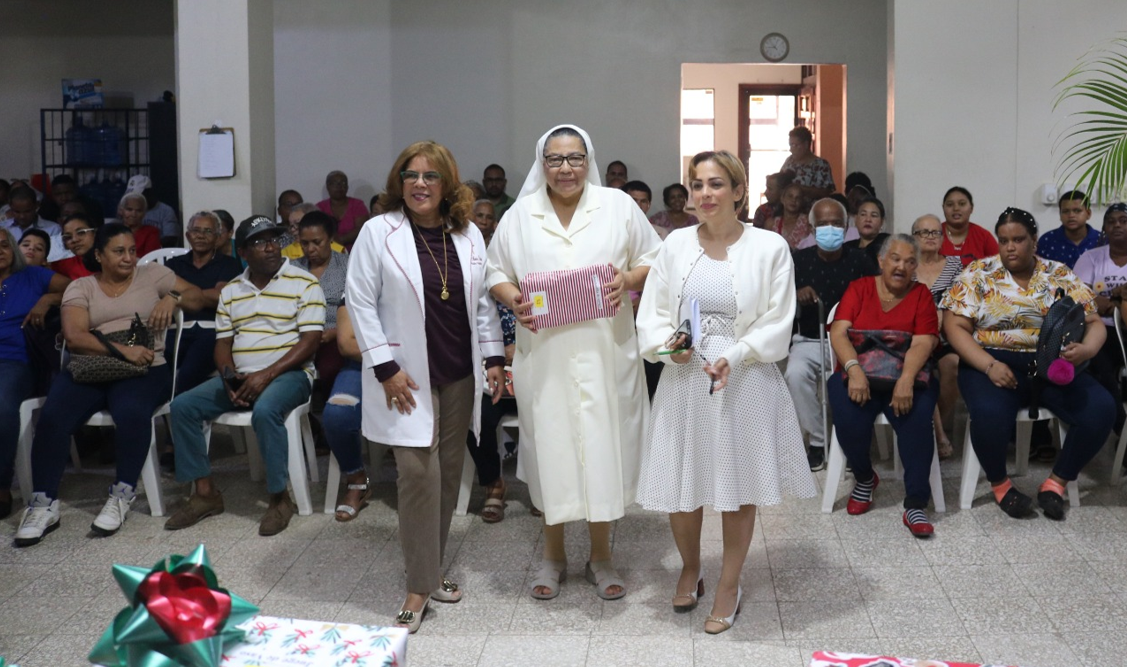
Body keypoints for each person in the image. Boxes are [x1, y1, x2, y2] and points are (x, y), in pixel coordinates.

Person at [637, 150, 815, 634]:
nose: (705, 194)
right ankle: (690, 566)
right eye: (697, 185)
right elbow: (653, 313)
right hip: (684, 376)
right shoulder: (675, 244)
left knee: (737, 488)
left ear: (739, 191)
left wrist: (734, 356)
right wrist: (668, 349)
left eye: (716, 184)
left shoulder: (769, 247)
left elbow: (779, 319)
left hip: (746, 375)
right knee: (681, 482)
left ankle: (729, 585)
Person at [486, 124, 660, 602]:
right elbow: (495, 271)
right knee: (553, 452)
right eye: (555, 159)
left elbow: (656, 257)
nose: (566, 168)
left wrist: (627, 279)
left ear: (589, 159)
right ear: (542, 163)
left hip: (606, 352)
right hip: (544, 356)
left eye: (575, 158)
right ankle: (553, 556)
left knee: (602, 451)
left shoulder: (618, 207)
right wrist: (514, 298)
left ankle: (601, 556)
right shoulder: (520, 215)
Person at [347, 141, 504, 632]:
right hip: (405, 376)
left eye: (431, 176)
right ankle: (418, 587)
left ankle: (431, 572)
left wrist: (493, 357)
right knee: (418, 477)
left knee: (448, 475)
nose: (420, 184)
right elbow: (360, 301)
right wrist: (385, 367)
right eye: (411, 175)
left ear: (446, 184)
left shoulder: (469, 234)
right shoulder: (379, 232)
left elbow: (482, 304)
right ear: (399, 182)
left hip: (459, 372)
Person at [14, 223, 205, 546]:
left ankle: (121, 494)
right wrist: (123, 351)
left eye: (132, 250)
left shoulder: (152, 275)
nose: (129, 258)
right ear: (99, 255)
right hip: (92, 365)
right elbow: (75, 336)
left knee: (131, 412)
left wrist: (172, 298)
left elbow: (197, 296)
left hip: (146, 366)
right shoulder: (81, 287)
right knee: (53, 418)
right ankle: (43, 504)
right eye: (119, 251)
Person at [942, 207, 1114, 520]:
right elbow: (954, 327)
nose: (1010, 247)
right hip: (991, 363)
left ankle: (1056, 483)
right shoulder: (978, 273)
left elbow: (1094, 323)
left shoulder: (1058, 273)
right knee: (989, 414)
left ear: (1034, 241)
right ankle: (1000, 485)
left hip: (1050, 363)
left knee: (1100, 408)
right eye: (1004, 240)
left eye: (1018, 240)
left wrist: (1086, 350)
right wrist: (988, 365)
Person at [165, 215, 325, 536]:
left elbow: (310, 342)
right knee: (182, 407)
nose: (270, 247)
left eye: (274, 240)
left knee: (265, 411)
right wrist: (229, 377)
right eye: (259, 242)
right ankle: (206, 494)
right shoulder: (232, 291)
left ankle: (279, 498)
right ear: (242, 252)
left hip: (290, 374)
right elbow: (222, 343)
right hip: (242, 376)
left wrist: (266, 375)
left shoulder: (304, 283)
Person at [828, 234, 940, 537]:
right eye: (895, 258)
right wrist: (854, 370)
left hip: (906, 374)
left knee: (917, 422)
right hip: (859, 372)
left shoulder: (921, 295)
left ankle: (916, 503)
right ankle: (865, 478)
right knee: (848, 419)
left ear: (915, 267)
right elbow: (838, 332)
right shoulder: (859, 288)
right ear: (881, 261)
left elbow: (924, 342)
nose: (901, 266)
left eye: (909, 262)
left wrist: (906, 380)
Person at [786, 197, 878, 471]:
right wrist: (796, 293)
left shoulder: (861, 260)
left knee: (857, 379)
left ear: (846, 227)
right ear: (812, 229)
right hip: (810, 339)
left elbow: (876, 299)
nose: (830, 229)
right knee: (795, 374)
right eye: (823, 224)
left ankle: (851, 443)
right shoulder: (798, 260)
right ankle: (817, 441)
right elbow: (779, 298)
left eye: (836, 224)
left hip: (854, 342)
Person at [0, 228, 69, 520]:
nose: (0, 250)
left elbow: (76, 288)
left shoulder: (33, 276)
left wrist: (48, 299)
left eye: (5, 245)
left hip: (16, 361)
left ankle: (2, 486)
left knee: (2, 406)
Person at [164, 211, 244, 394]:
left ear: (217, 237)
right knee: (155, 366)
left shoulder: (229, 264)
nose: (201, 235)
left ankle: (180, 407)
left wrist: (180, 295)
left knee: (188, 373)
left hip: (211, 331)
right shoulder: (174, 264)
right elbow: (162, 295)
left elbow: (220, 297)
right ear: (187, 235)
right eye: (196, 230)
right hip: (175, 330)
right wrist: (203, 296)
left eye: (208, 231)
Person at [911, 213, 964, 459]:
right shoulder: (906, 265)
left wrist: (944, 314)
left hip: (946, 334)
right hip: (914, 334)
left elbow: (963, 300)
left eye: (935, 232)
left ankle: (932, 427)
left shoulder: (955, 265)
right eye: (923, 232)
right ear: (913, 237)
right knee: (920, 366)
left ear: (943, 238)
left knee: (953, 365)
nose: (930, 237)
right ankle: (939, 435)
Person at [1072, 202, 1127, 434]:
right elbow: (1078, 296)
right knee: (1101, 370)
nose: (1117, 226)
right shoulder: (1091, 257)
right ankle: (1122, 430)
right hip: (1098, 330)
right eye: (1111, 222)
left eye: (1123, 221)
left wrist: (1113, 302)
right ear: (1104, 228)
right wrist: (1115, 300)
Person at [322, 299, 369, 521]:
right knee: (337, 415)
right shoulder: (355, 286)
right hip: (361, 364)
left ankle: (423, 480)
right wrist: (388, 362)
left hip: (416, 366)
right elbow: (347, 345)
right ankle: (357, 479)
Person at [294, 211, 349, 392]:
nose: (310, 249)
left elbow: (359, 306)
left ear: (330, 238)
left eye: (317, 242)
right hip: (297, 338)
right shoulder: (292, 268)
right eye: (304, 243)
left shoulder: (347, 265)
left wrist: (336, 332)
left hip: (333, 336)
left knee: (331, 368)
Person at [1037, 190, 1102, 268]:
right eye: (1065, 211)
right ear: (1060, 215)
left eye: (1077, 211)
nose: (1071, 215)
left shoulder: (1101, 240)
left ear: (1088, 214)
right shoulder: (1047, 241)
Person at [1, 187, 68, 262]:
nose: (22, 216)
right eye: (17, 212)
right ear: (10, 207)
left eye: (27, 211)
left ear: (36, 205)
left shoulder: (53, 229)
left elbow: (55, 256)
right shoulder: (3, 228)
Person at [940, 186, 998, 267]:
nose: (956, 208)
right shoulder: (933, 235)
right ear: (943, 208)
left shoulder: (984, 237)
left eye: (962, 204)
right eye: (950, 205)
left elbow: (999, 268)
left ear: (971, 208)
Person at [780, 126, 834, 200]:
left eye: (795, 145)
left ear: (806, 144)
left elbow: (826, 192)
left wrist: (802, 189)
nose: (791, 149)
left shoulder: (821, 165)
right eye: (790, 145)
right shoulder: (789, 161)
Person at [319, 170, 370, 248]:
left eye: (343, 183)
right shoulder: (319, 207)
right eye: (334, 183)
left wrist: (341, 240)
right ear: (328, 187)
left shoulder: (357, 205)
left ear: (347, 187)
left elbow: (362, 228)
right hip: (327, 251)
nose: (339, 186)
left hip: (355, 250)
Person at [127, 175, 181, 247]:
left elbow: (171, 238)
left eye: (139, 195)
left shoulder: (166, 211)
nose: (136, 199)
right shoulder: (130, 212)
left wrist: (150, 243)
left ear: (149, 192)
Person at [52, 214, 101, 280]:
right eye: (68, 237)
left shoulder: (111, 258)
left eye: (81, 233)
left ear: (95, 233)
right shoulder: (64, 266)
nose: (74, 240)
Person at [842, 196, 890, 265]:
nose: (868, 219)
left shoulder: (887, 245)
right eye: (863, 214)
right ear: (855, 219)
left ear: (882, 221)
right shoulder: (847, 248)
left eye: (874, 215)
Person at [116, 192, 162, 258]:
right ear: (121, 211)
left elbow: (151, 259)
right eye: (129, 209)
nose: (133, 214)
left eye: (138, 211)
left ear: (144, 213)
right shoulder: (113, 232)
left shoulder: (151, 232)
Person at [771, 181, 813, 250]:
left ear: (801, 202)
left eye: (798, 198)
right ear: (782, 199)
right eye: (790, 196)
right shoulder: (771, 223)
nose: (794, 200)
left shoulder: (808, 222)